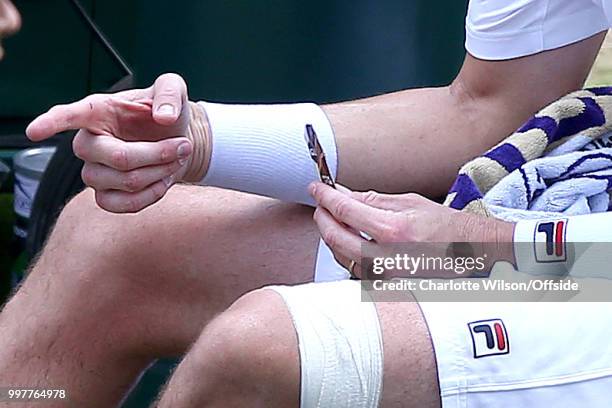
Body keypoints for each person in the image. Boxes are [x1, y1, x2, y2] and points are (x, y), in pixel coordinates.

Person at [1, 0, 612, 407]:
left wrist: (493, 253)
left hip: (579, 266)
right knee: (111, 243)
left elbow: (538, 261)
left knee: (265, 346)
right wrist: (198, 141)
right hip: (580, 231)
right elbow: (489, 106)